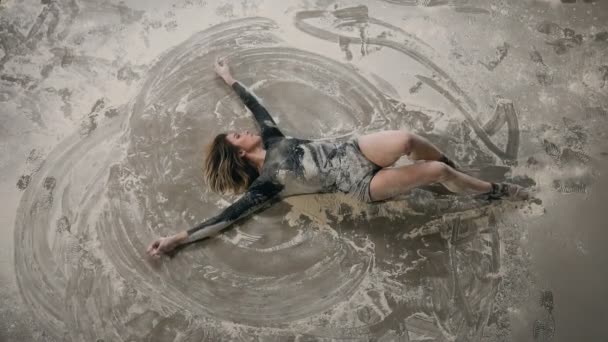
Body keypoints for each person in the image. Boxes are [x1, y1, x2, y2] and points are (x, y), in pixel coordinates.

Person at [146, 58, 529, 257]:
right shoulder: (266, 186)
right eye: (235, 135)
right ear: (237, 152)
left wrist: (229, 77)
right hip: (361, 184)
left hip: (356, 149)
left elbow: (255, 106)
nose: (242, 129)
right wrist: (176, 239)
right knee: (434, 170)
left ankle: (458, 175)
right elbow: (223, 219)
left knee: (407, 139)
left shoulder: (273, 137)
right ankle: (494, 191)